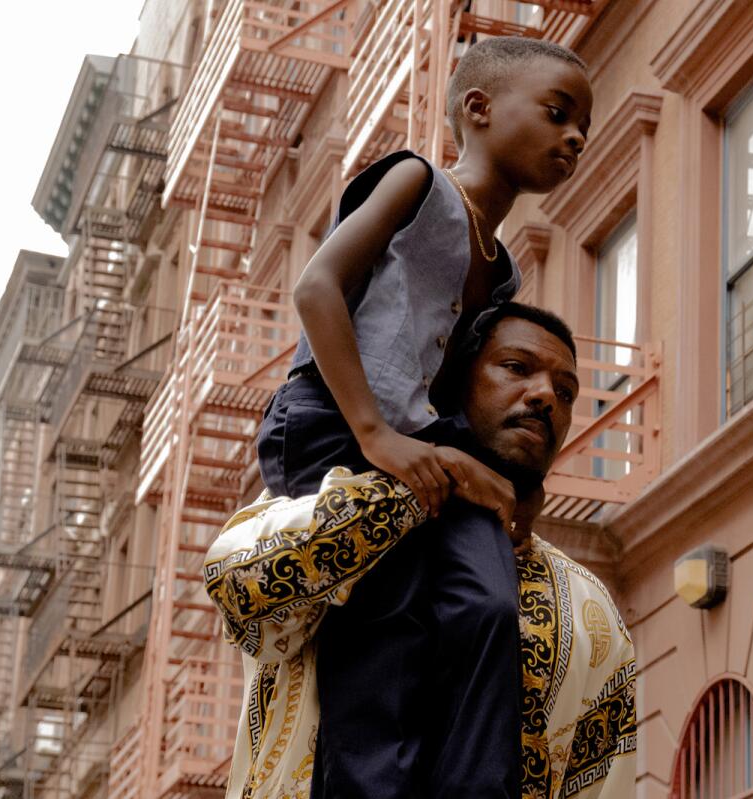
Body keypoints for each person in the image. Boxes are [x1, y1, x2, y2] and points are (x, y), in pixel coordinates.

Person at [253, 35, 593, 797]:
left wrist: (508, 481)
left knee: (490, 601)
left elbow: (454, 396)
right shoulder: (417, 181)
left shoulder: (502, 269)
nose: (575, 136)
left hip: (419, 436)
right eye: (558, 113)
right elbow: (316, 290)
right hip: (335, 418)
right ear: (477, 109)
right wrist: (376, 436)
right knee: (391, 611)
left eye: (584, 128)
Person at [208, 305, 636, 798]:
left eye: (565, 392)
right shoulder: (329, 502)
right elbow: (237, 586)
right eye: (516, 368)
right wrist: (433, 481)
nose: (545, 396)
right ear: (453, 380)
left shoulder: (591, 612)